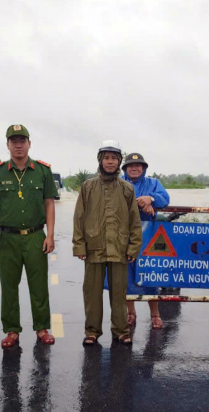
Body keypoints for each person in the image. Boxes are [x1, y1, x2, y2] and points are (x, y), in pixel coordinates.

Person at [0, 124, 59, 348]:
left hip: (35, 236)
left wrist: (50, 235)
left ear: (29, 144)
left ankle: (42, 328)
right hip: (8, 238)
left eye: (22, 140)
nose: (18, 145)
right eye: (13, 141)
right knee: (9, 285)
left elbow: (49, 204)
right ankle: (12, 330)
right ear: (7, 145)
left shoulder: (42, 171)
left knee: (38, 285)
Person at [73, 140, 142, 346]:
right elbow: (79, 217)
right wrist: (79, 245)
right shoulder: (88, 187)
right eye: (106, 158)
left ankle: (121, 330)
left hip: (119, 248)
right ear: (100, 160)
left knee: (119, 292)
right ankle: (92, 331)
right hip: (94, 247)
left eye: (114, 158)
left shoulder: (127, 188)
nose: (110, 162)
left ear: (119, 161)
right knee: (92, 293)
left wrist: (133, 247)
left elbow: (134, 221)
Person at [120, 152, 171, 329]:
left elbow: (165, 198)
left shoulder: (153, 183)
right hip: (124, 234)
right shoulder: (118, 182)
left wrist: (151, 199)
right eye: (130, 166)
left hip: (148, 236)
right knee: (125, 276)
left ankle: (155, 314)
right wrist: (139, 203)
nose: (135, 168)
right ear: (125, 168)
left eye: (138, 165)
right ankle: (131, 313)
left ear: (144, 168)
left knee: (151, 275)